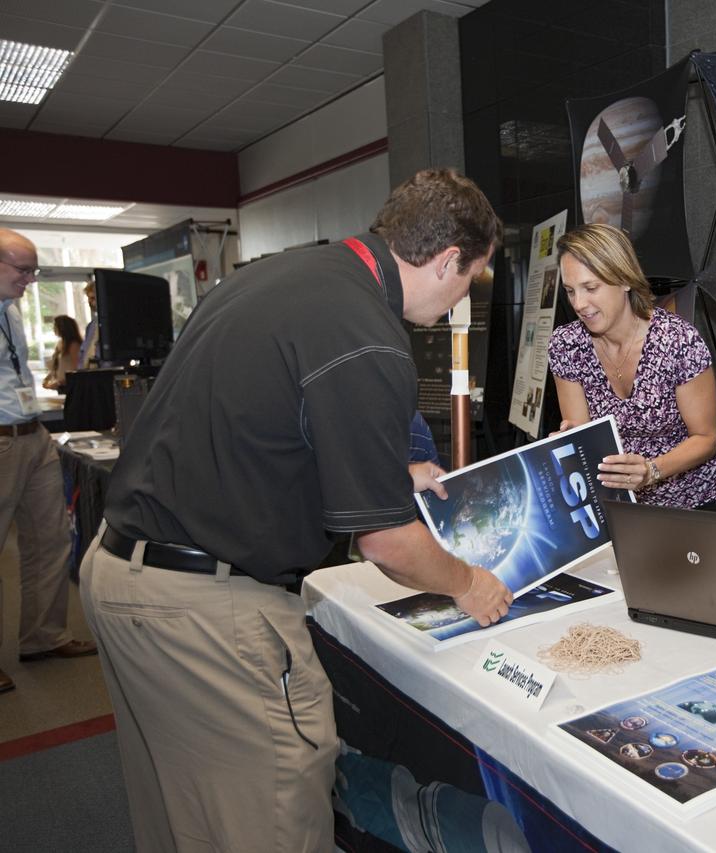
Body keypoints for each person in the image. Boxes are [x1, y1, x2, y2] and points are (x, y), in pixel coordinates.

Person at [78, 169, 513, 852]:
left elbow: (261, 426)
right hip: (208, 612)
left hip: (123, 573)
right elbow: (387, 542)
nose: (463, 300)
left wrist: (393, 469)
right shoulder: (369, 334)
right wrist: (468, 582)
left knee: (185, 820)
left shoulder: (285, 277)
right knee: (271, 818)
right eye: (471, 281)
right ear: (448, 260)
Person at [547, 223, 716, 511]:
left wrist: (652, 470)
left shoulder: (677, 340)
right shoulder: (566, 346)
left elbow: (706, 438)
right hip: (632, 508)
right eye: (570, 291)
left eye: (590, 288)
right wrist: (573, 442)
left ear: (625, 280)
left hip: (704, 500)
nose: (579, 303)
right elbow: (585, 436)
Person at [0, 229, 98, 696]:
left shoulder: (12, 310)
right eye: (23, 270)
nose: (31, 280)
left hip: (32, 435)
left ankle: (43, 636)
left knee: (50, 540)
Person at [41, 314, 82, 392]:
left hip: (70, 385)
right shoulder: (60, 343)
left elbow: (76, 368)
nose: (53, 329)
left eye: (55, 326)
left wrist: (60, 382)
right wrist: (48, 378)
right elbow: (57, 365)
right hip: (61, 385)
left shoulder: (74, 345)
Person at [77, 280, 98, 369]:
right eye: (88, 298)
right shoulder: (91, 326)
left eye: (93, 298)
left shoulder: (112, 324)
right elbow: (83, 354)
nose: (89, 302)